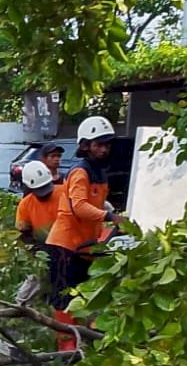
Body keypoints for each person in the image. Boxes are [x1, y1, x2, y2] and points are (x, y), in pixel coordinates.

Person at [44, 115, 119, 348]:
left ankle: (84, 342)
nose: (104, 149)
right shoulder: (80, 171)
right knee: (65, 299)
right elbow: (79, 206)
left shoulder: (99, 172)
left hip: (84, 245)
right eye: (99, 144)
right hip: (65, 244)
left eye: (107, 144)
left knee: (85, 296)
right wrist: (109, 216)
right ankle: (66, 349)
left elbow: (96, 204)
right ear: (86, 145)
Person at [14, 161, 61, 244]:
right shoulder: (25, 205)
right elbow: (23, 234)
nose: (45, 194)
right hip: (44, 249)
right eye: (40, 189)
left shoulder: (65, 193)